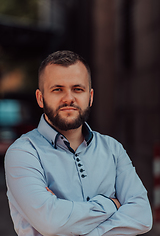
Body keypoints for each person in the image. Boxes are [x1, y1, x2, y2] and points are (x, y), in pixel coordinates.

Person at [5, 50, 152, 236]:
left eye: (77, 89)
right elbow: (52, 223)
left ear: (90, 97)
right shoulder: (23, 153)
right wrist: (111, 204)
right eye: (57, 89)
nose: (69, 98)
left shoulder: (113, 149)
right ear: (40, 98)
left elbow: (142, 216)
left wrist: (71, 218)